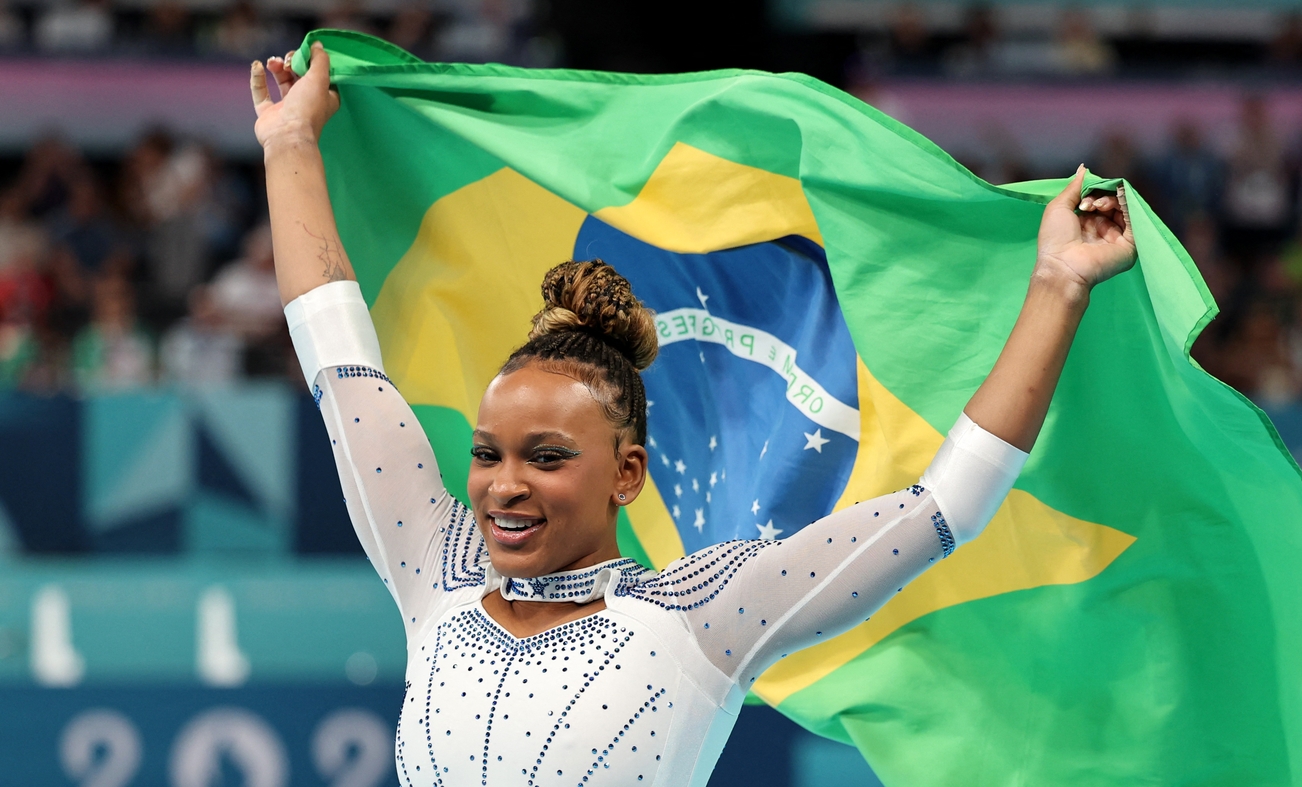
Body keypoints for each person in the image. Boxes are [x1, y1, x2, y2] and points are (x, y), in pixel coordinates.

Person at [250, 43, 1136, 786]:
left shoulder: (701, 617)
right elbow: (340, 357)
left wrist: (1057, 284)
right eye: (488, 454)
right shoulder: (434, 572)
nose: (503, 485)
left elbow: (943, 506)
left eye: (547, 457)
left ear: (627, 473)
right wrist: (289, 144)